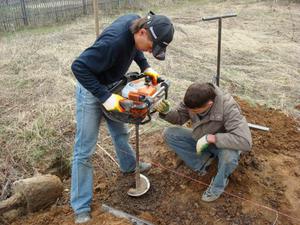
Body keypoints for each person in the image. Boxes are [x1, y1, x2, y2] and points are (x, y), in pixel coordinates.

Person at [70, 13, 174, 223]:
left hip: (113, 84)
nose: (148, 51)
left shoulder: (136, 23)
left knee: (120, 132)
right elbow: (78, 67)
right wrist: (105, 97)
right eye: (149, 47)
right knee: (84, 150)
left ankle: (128, 166)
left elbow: (136, 48)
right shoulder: (114, 42)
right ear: (142, 32)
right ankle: (81, 206)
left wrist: (145, 66)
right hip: (91, 91)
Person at [155, 82, 252, 202]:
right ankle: (204, 163)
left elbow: (245, 141)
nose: (191, 112)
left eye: (195, 110)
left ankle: (218, 185)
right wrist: (167, 112)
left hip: (224, 145)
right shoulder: (194, 99)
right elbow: (179, 118)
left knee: (228, 157)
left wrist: (213, 138)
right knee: (169, 133)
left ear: (209, 104)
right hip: (201, 138)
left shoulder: (228, 108)